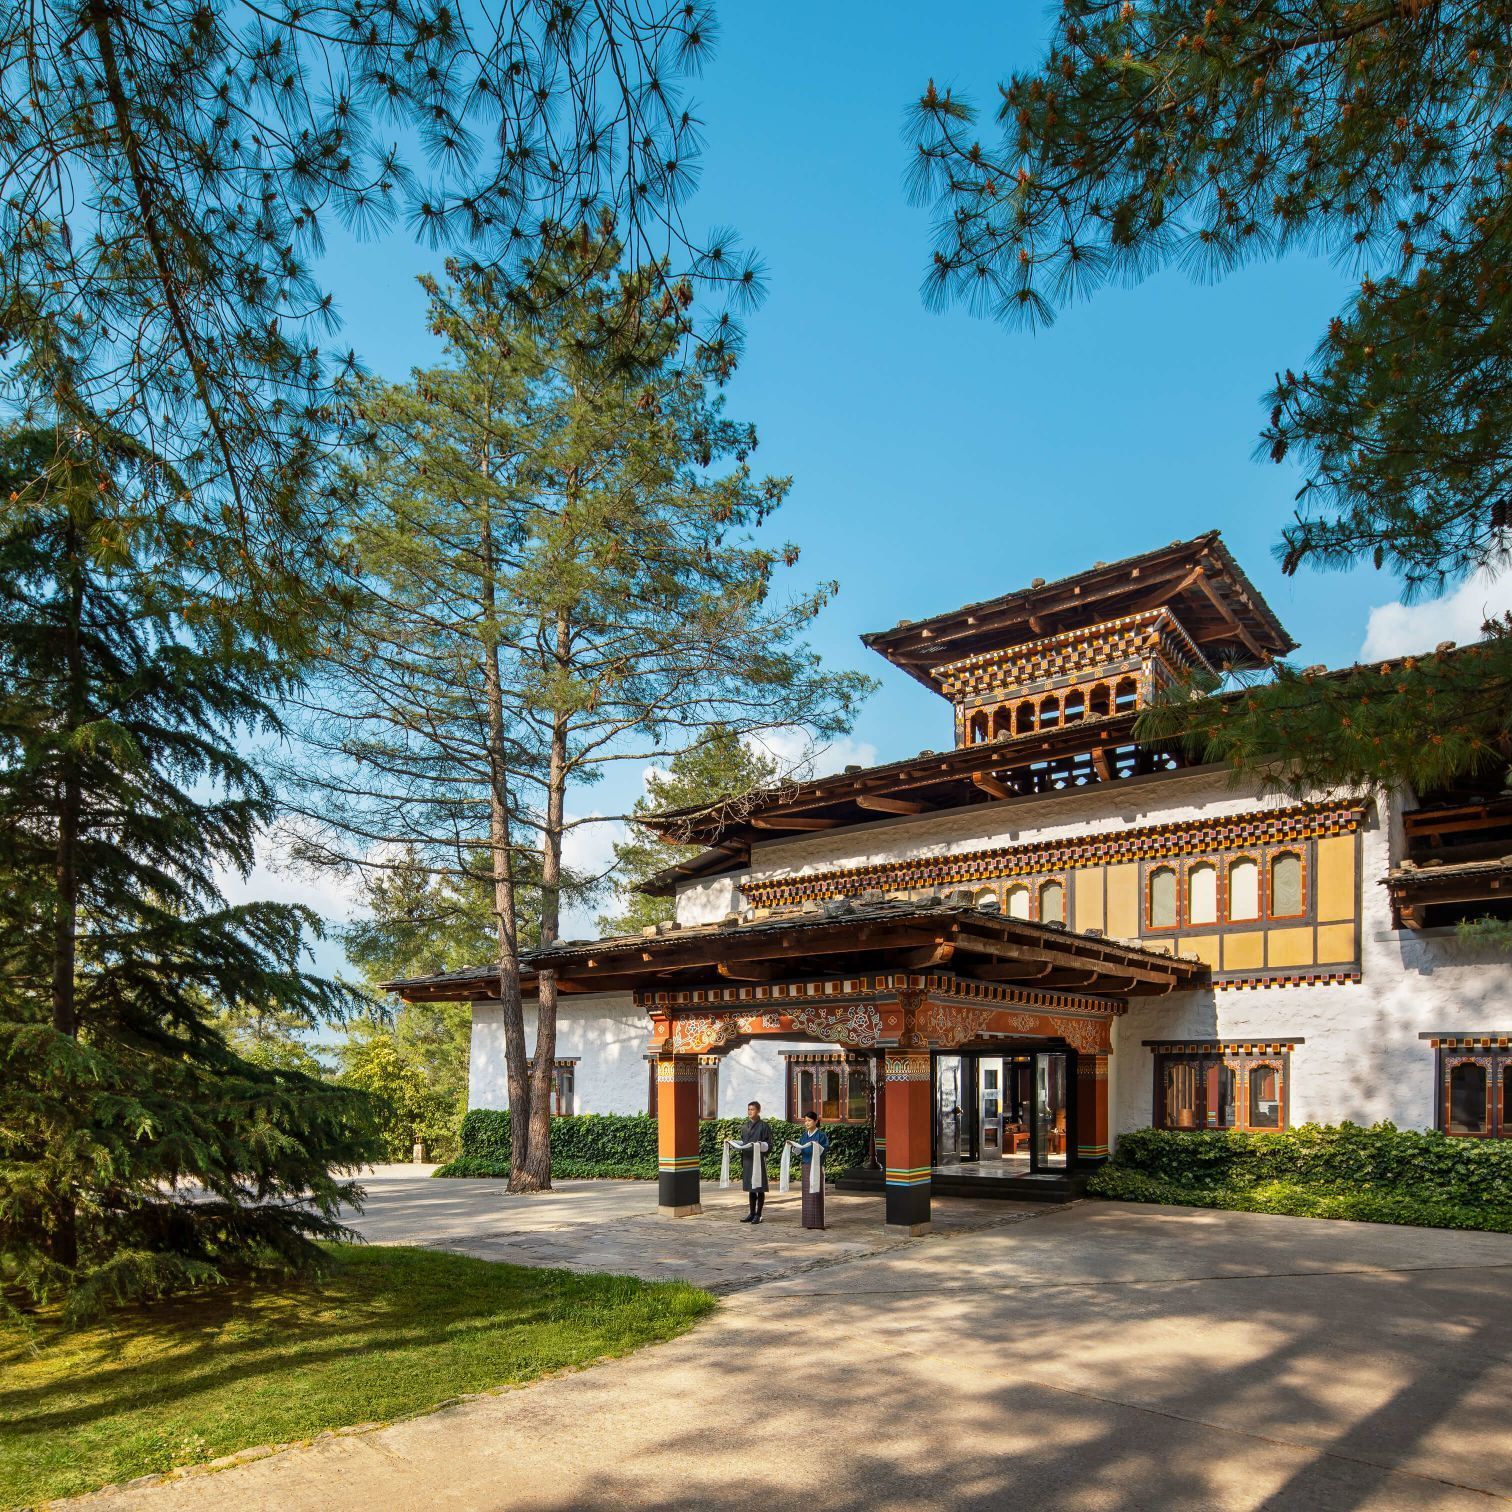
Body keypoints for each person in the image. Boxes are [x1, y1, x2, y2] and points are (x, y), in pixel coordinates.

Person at [735, 1101, 772, 1224]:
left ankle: (759, 1214)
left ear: (758, 1111)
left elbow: (769, 1145)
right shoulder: (745, 1127)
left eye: (753, 1109)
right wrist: (735, 1144)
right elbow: (743, 1142)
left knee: (759, 1187)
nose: (750, 1111)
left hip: (759, 1160)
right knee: (751, 1187)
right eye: (749, 1109)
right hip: (747, 1159)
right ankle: (751, 1213)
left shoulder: (764, 1126)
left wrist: (760, 1145)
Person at [796, 1111, 830, 1231]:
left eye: (809, 1120)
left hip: (816, 1166)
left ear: (816, 1121)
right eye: (805, 1121)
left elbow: (824, 1149)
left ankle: (818, 1223)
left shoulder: (821, 1135)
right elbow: (799, 1150)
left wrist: (816, 1145)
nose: (807, 1123)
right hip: (806, 1165)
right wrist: (793, 1146)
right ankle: (808, 1222)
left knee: (816, 1193)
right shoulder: (804, 1135)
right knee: (807, 1194)